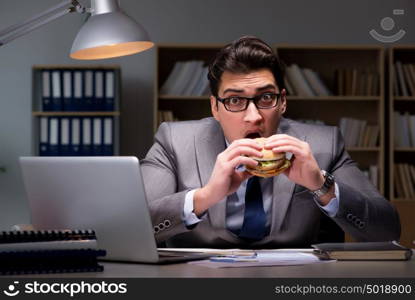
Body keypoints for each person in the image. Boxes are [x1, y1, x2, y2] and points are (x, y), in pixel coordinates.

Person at [141, 36, 400, 248]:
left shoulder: (324, 143)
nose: (253, 117)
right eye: (234, 100)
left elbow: (388, 231)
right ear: (215, 107)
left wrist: (322, 186)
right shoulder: (175, 141)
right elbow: (130, 227)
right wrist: (205, 197)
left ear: (283, 102)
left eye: (265, 98)